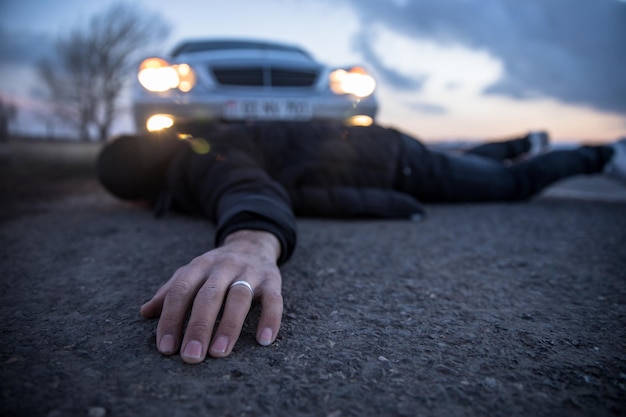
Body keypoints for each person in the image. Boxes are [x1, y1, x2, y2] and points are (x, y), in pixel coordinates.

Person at [97, 121, 626, 364]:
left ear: (138, 190)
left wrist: (252, 240)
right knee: (467, 170)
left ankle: (601, 156)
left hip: (391, 160)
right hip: (381, 159)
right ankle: (519, 143)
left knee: (510, 185)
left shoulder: (197, 153)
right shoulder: (188, 149)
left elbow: (241, 182)